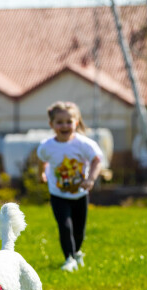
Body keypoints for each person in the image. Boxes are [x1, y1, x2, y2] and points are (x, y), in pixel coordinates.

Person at [37, 101, 103, 272]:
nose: (64, 125)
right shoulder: (47, 146)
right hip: (58, 194)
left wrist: (90, 179)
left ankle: (77, 252)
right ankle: (69, 259)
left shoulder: (84, 144)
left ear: (76, 122)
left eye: (69, 121)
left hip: (80, 194)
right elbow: (42, 160)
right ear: (52, 125)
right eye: (60, 122)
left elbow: (97, 160)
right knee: (65, 227)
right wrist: (41, 174)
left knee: (79, 231)